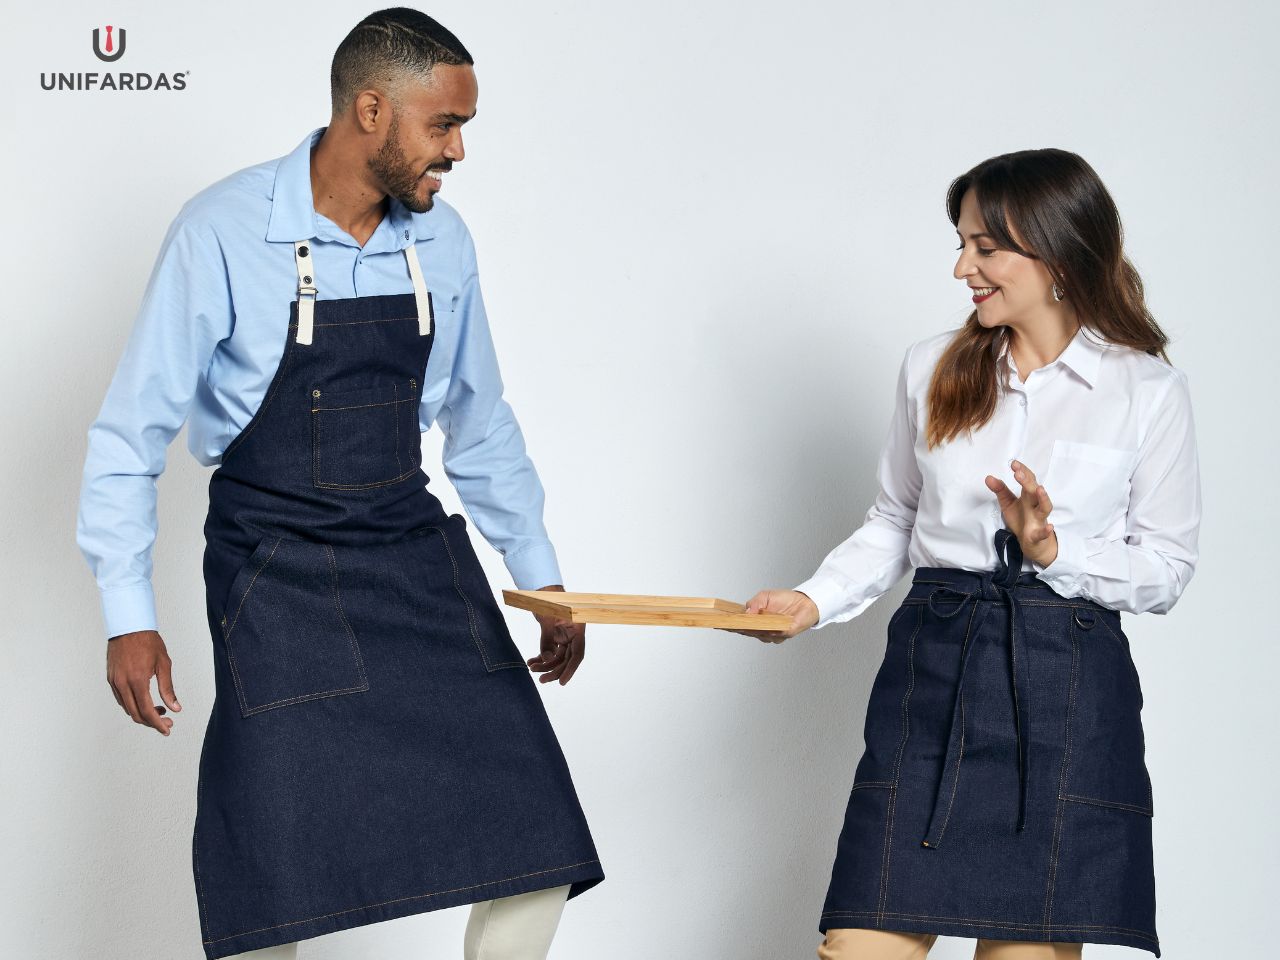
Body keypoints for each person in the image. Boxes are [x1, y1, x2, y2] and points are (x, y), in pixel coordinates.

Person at [75, 9, 603, 959]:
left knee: (537, 833)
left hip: (408, 558)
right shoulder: (221, 230)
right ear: (371, 110)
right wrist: (126, 609)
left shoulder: (444, 244)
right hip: (270, 571)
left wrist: (541, 574)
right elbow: (129, 432)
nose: (460, 150)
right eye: (444, 125)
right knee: (272, 871)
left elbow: (478, 421)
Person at [740, 148, 1199, 959]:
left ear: (1058, 253)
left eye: (987, 247)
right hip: (936, 669)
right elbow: (895, 519)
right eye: (961, 243)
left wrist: (1056, 551)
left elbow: (1166, 569)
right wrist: (814, 599)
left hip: (1066, 686)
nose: (963, 267)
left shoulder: (1146, 391)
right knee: (857, 944)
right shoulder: (932, 367)